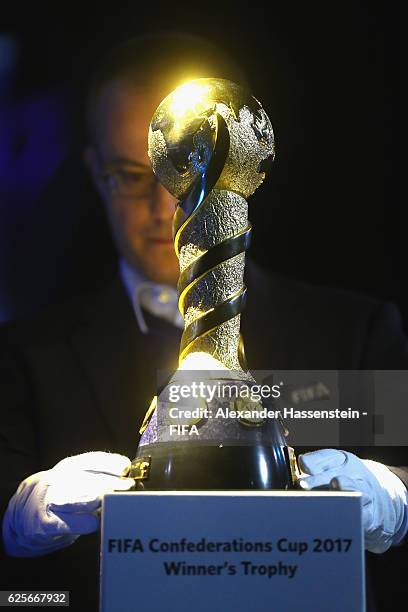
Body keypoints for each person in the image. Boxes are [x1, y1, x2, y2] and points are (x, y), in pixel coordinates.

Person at [0, 33, 406, 611]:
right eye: (131, 175)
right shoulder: (22, 358)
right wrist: (17, 516)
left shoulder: (355, 333)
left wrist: (394, 498)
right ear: (94, 171)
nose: (166, 208)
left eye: (191, 175)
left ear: (244, 163)